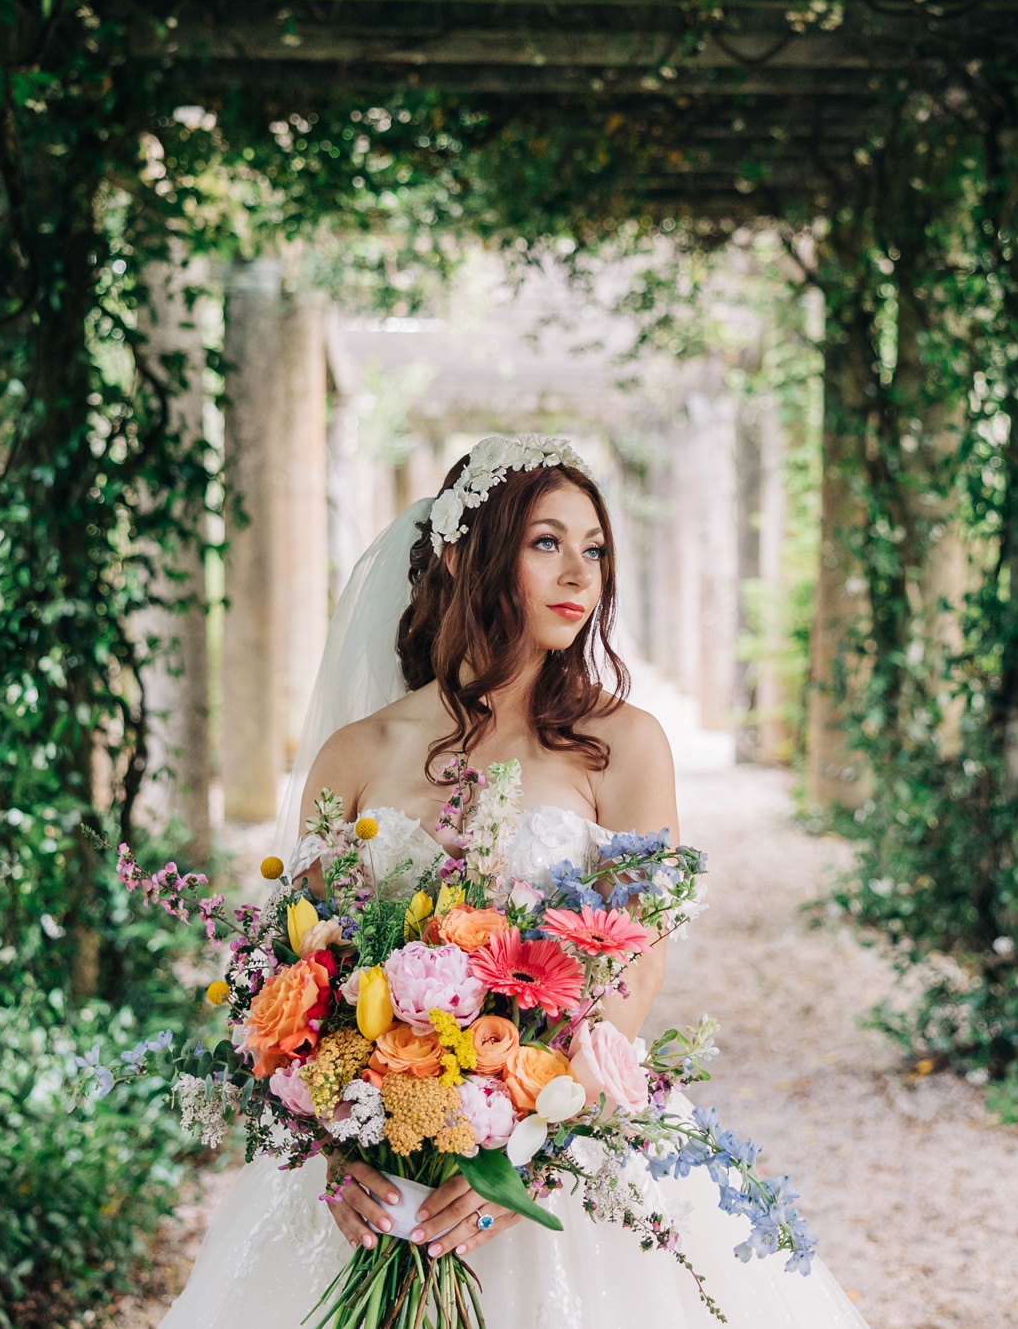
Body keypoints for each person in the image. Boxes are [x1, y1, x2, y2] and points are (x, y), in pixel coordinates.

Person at [159, 433, 871, 1329]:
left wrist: (526, 1152)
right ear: (463, 554)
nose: (580, 571)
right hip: (379, 1164)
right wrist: (337, 1147)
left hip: (557, 1141)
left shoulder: (624, 743)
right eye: (546, 543)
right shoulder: (356, 753)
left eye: (595, 547)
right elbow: (304, 974)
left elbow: (636, 966)